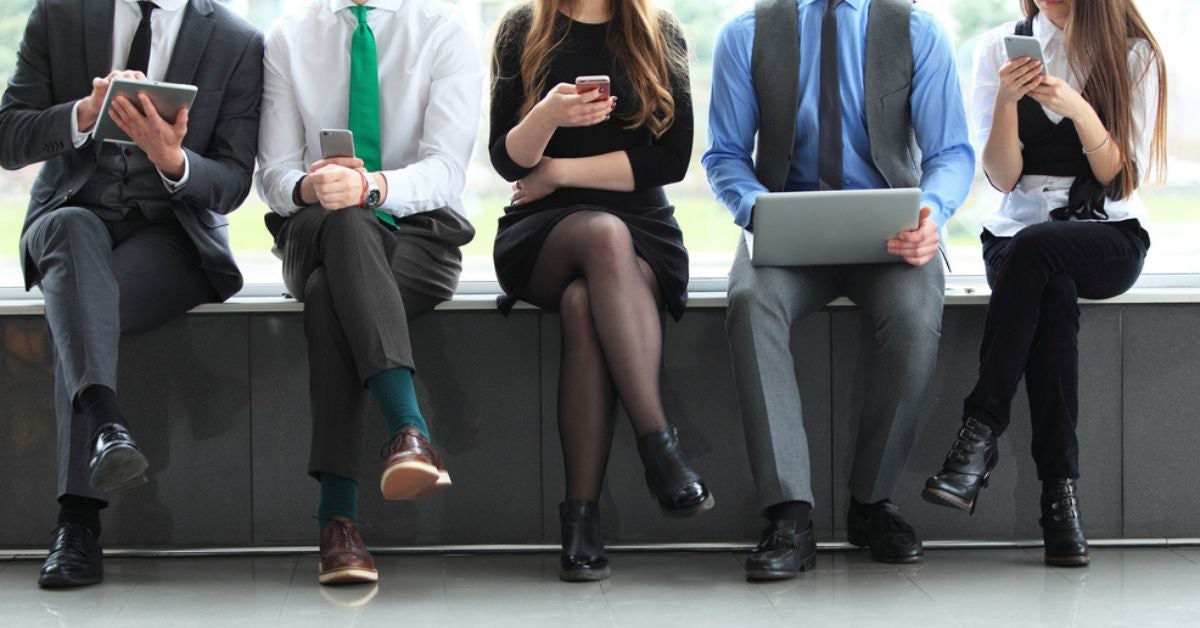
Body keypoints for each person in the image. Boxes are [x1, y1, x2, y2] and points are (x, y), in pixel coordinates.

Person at [704, 0, 974, 579]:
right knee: (752, 303)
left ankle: (872, 504)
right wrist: (759, 212)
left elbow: (950, 152)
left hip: (892, 238)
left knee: (913, 314)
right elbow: (725, 156)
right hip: (784, 232)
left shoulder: (918, 30)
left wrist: (930, 211)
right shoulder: (746, 34)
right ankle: (789, 513)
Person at [0, 0, 262, 589]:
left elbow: (232, 183)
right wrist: (84, 114)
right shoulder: (61, 15)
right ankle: (107, 433)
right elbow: (8, 137)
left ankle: (78, 523)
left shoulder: (238, 40)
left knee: (80, 308)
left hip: (170, 238)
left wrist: (171, 159)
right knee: (71, 233)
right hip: (69, 215)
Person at [923, 0, 1166, 568]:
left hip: (1108, 233)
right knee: (1047, 283)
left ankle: (978, 435)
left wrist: (1079, 111)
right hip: (1018, 231)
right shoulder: (997, 47)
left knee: (1040, 250)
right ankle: (1060, 502)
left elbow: (1120, 178)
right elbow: (1004, 177)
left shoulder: (1135, 54)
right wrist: (1009, 99)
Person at [255, 0, 480, 585]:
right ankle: (409, 432)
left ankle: (338, 522)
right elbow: (273, 175)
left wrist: (371, 185)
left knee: (334, 291)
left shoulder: (445, 30)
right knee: (346, 225)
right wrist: (313, 184)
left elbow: (448, 170)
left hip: (419, 235)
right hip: (315, 227)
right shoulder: (288, 34)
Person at [489, 0, 709, 582]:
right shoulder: (522, 26)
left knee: (586, 303)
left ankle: (581, 520)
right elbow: (506, 158)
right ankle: (659, 447)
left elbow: (672, 159)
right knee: (603, 238)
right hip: (544, 233)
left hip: (643, 229)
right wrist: (547, 116)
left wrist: (560, 171)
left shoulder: (658, 30)